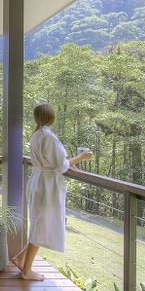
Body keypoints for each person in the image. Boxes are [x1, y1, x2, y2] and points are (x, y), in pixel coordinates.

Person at [13, 103, 93, 281]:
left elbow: (53, 163)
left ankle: (20, 258)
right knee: (42, 225)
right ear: (51, 117)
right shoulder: (48, 137)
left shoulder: (36, 135)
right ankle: (26, 271)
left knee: (39, 223)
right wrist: (81, 157)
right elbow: (60, 165)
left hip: (38, 182)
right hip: (46, 186)